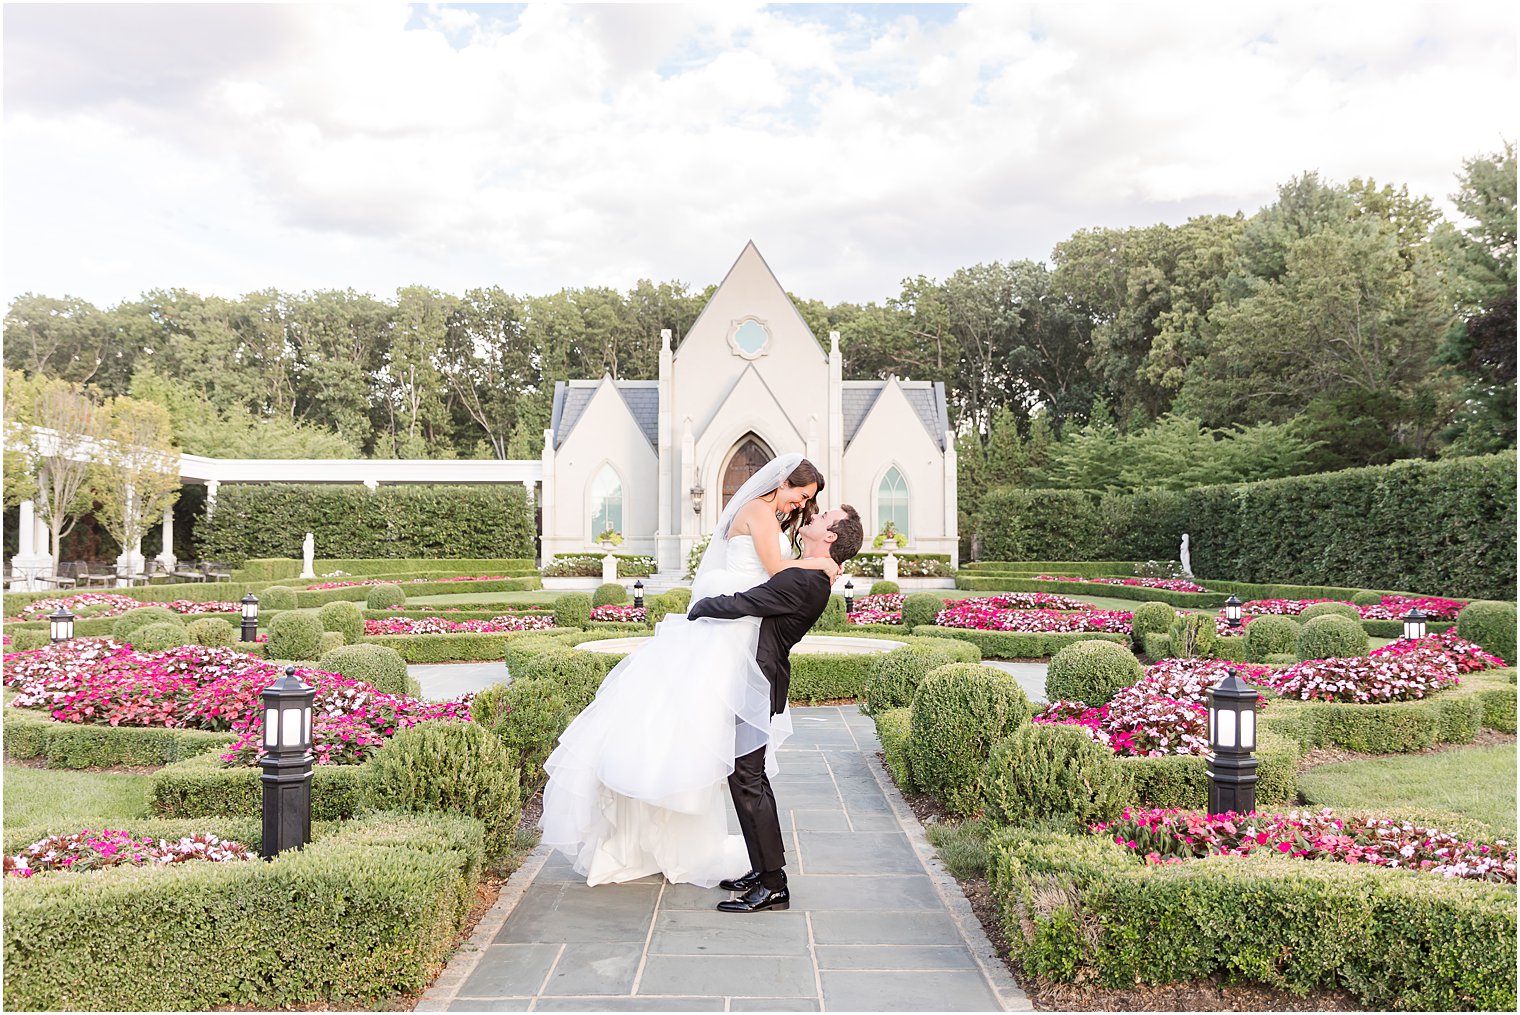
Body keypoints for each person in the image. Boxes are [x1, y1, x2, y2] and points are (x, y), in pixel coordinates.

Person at [539, 454, 841, 888]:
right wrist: (819, 563)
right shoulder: (758, 511)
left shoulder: (772, 519)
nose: (799, 505)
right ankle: (748, 865)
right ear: (783, 481)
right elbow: (775, 572)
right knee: (719, 751)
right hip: (729, 632)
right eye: (801, 494)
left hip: (739, 635)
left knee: (736, 763)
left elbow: (770, 582)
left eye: (808, 501)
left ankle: (762, 872)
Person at [688, 501, 864, 913]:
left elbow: (743, 602)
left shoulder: (804, 583)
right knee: (748, 777)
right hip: (758, 681)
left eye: (822, 519)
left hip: (758, 685)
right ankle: (763, 867)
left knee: (747, 780)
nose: (813, 517)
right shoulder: (808, 573)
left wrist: (696, 609)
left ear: (830, 537)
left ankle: (773, 886)